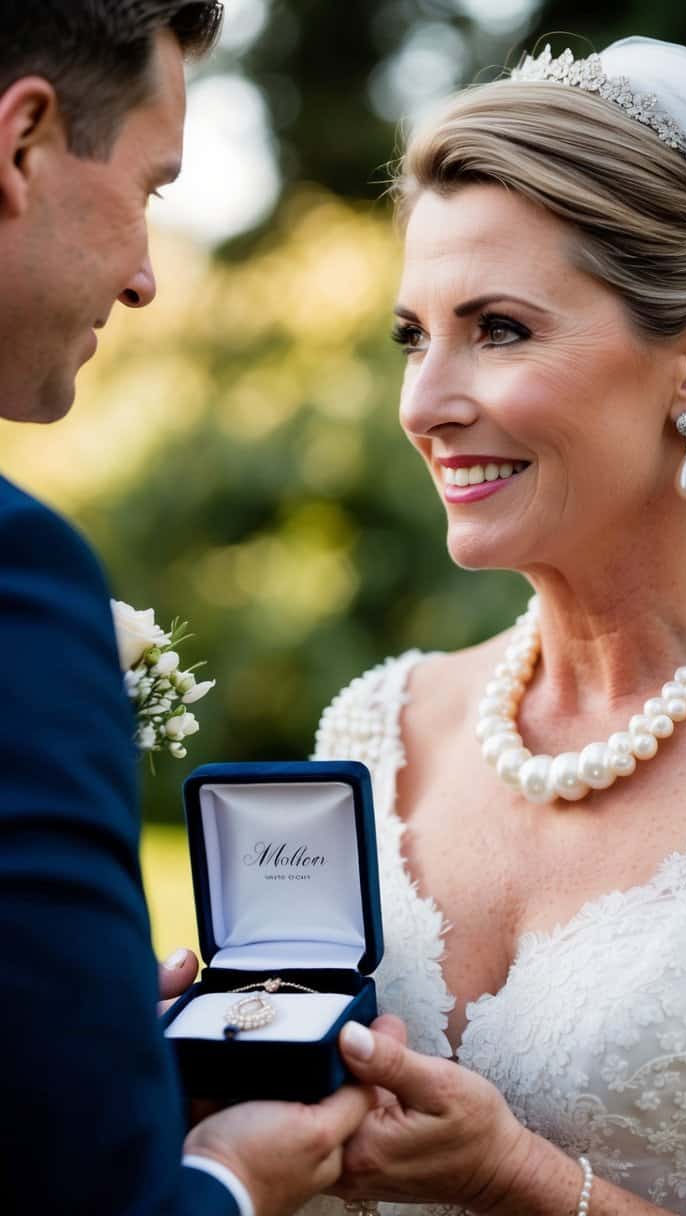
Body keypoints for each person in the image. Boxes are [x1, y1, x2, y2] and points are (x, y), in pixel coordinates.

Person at [312, 35, 686, 1215]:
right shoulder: (379, 728)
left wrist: (521, 1177)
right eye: (412, 334)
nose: (424, 404)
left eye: (497, 327)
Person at [0, 4, 375, 1213]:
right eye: (152, 190)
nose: (148, 275)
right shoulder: (21, 575)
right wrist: (224, 1178)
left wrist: (90, 1049)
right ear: (22, 145)